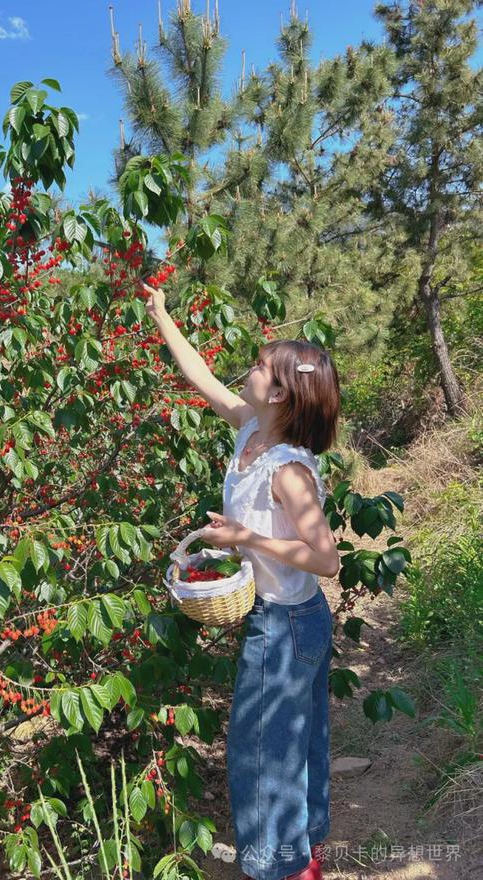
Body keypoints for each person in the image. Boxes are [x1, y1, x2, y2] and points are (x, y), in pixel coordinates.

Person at [144, 282, 341, 880]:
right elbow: (200, 378)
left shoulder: (286, 471)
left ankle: (278, 868)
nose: (247, 373)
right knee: (292, 749)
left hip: (285, 628)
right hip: (287, 622)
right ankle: (303, 857)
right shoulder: (249, 432)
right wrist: (161, 314)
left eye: (258, 368)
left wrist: (247, 540)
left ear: (280, 393)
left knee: (259, 758)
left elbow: (326, 559)